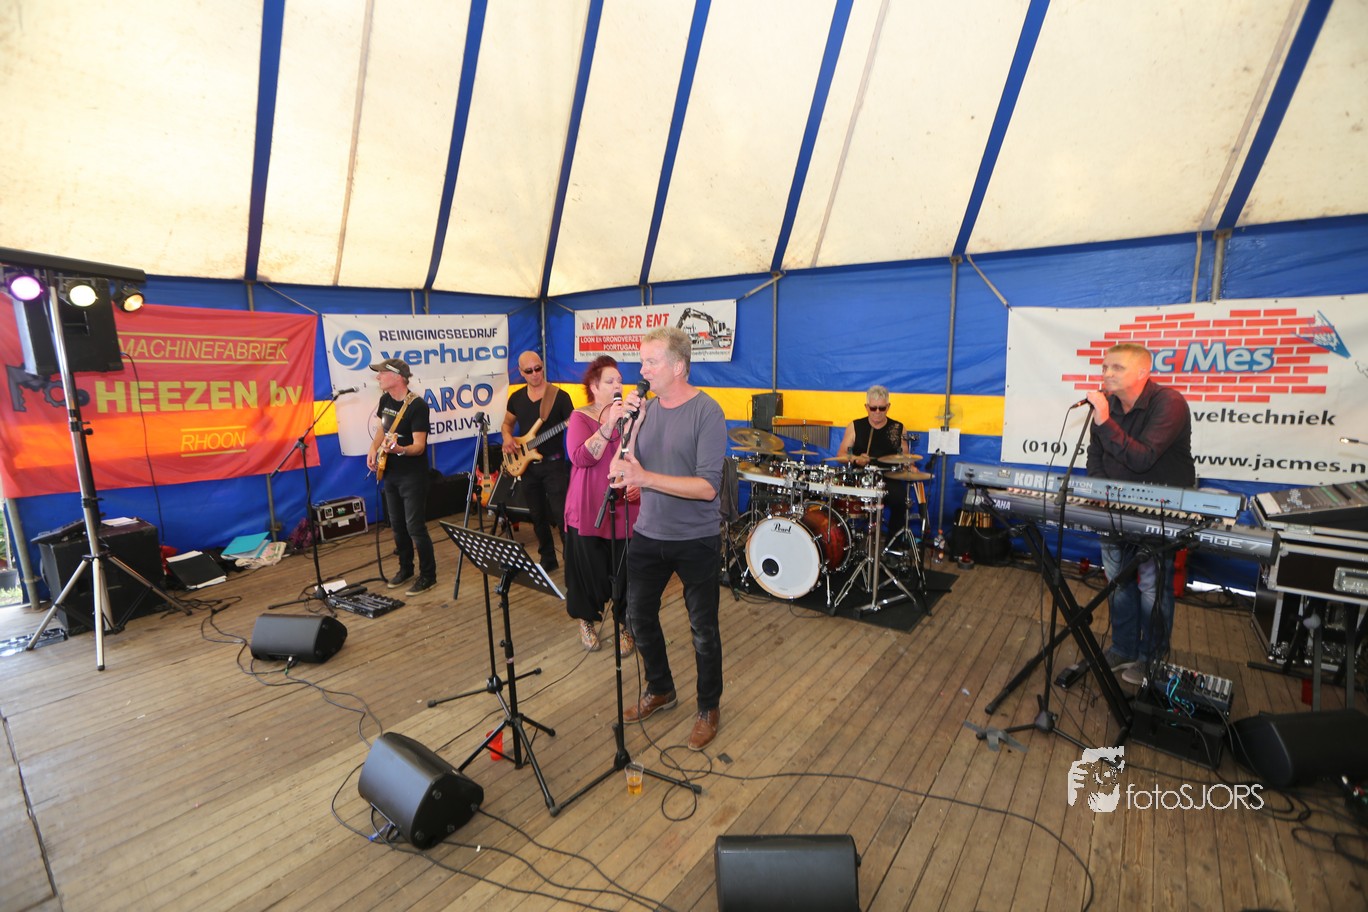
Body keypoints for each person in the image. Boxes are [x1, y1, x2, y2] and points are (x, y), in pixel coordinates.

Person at [610, 327, 728, 752]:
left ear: (678, 366)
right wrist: (632, 426)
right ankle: (661, 688)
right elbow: (623, 467)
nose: (642, 371)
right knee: (637, 616)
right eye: (642, 361)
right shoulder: (646, 411)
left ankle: (708, 707)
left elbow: (707, 488)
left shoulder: (707, 412)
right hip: (649, 532)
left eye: (651, 362)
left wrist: (645, 478)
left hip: (696, 538)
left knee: (702, 629)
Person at [1084, 342, 1195, 686]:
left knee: (1151, 588)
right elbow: (1094, 458)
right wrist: (1102, 492)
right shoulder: (1108, 407)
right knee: (1118, 583)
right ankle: (1123, 648)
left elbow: (1142, 458)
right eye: (1105, 367)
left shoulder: (1169, 403)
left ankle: (1152, 658)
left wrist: (1104, 420)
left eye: (1116, 367)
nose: (1107, 373)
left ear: (1144, 372)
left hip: (1157, 512)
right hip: (1114, 510)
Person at [564, 356, 640, 654]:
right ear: (594, 387)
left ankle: (626, 624)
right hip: (589, 506)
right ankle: (586, 620)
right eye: (610, 381)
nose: (617, 385)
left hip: (625, 508)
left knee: (627, 570)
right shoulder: (580, 417)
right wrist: (609, 423)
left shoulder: (632, 417)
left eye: (620, 380)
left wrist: (639, 481)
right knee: (588, 570)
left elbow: (643, 453)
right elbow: (582, 457)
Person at [365, 358, 436, 595]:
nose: (378, 377)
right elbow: (382, 429)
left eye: (382, 373)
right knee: (397, 526)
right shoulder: (385, 400)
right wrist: (373, 449)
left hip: (412, 476)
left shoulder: (417, 406)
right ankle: (406, 568)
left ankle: (428, 576)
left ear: (397, 377)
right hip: (390, 474)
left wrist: (400, 450)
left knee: (415, 527)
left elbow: (419, 446)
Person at [501, 351, 573, 571]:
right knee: (537, 515)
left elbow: (575, 425)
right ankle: (547, 558)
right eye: (529, 370)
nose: (535, 374)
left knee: (561, 516)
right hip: (528, 466)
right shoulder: (516, 398)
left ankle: (572, 563)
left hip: (554, 465)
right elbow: (507, 424)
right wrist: (507, 438)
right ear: (521, 372)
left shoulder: (559, 397)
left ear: (543, 366)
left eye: (538, 368)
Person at [836, 385, 911, 536]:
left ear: (888, 407)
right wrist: (856, 459)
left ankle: (893, 543)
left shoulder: (898, 428)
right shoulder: (855, 426)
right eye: (873, 408)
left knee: (901, 500)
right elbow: (841, 454)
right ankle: (847, 538)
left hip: (888, 477)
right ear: (866, 407)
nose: (877, 412)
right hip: (861, 477)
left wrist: (910, 466)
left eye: (881, 408)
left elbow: (906, 457)